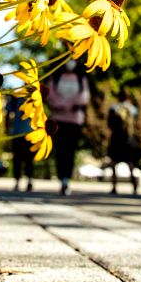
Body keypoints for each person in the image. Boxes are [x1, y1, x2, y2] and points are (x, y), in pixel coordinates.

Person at [45, 60, 89, 196]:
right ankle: (61, 178)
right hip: (58, 119)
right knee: (60, 150)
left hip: (74, 120)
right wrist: (61, 104)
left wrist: (69, 104)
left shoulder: (81, 79)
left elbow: (84, 96)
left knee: (70, 151)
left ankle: (66, 179)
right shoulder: (56, 78)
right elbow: (50, 94)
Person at [106, 91, 139, 195]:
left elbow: (109, 124)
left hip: (116, 139)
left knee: (113, 163)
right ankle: (134, 186)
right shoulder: (133, 109)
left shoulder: (113, 108)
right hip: (128, 139)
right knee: (130, 163)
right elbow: (135, 123)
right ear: (128, 97)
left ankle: (114, 186)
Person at [5, 93, 34, 192]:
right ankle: (17, 181)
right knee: (18, 158)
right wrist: (7, 128)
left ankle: (29, 180)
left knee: (28, 159)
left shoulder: (34, 96)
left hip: (30, 133)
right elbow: (8, 111)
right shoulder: (16, 95)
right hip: (18, 132)